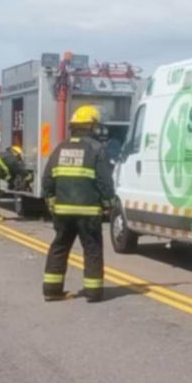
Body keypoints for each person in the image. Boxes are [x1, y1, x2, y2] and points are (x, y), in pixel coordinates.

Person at [42, 106, 114, 303]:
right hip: (88, 211)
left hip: (62, 211)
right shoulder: (97, 149)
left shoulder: (60, 148)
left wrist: (51, 201)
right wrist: (109, 202)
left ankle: (52, 290)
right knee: (92, 249)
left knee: (59, 247)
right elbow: (104, 181)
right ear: (91, 127)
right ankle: (93, 292)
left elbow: (47, 180)